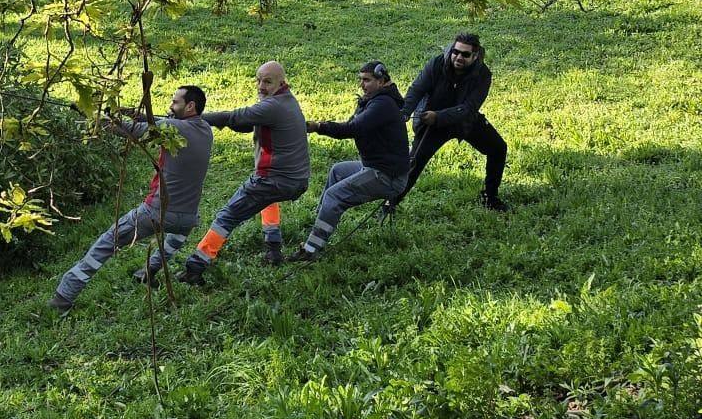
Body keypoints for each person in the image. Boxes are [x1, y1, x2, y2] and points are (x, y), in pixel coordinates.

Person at [51, 85, 213, 313]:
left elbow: (131, 130)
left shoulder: (171, 128)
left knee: (106, 243)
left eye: (175, 102)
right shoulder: (206, 129)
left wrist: (90, 115)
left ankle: (62, 299)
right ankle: (147, 272)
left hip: (155, 213)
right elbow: (158, 123)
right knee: (171, 243)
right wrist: (132, 111)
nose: (170, 106)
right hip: (187, 219)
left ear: (190, 106)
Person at [174, 60, 309, 281]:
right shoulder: (287, 100)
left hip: (273, 180)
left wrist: (189, 120)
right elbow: (245, 124)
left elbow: (232, 118)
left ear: (282, 82)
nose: (260, 86)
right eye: (258, 80)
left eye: (267, 81)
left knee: (227, 216)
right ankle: (273, 249)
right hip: (296, 181)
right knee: (267, 199)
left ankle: (195, 268)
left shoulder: (272, 106)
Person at [287, 60, 409, 262]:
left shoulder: (383, 104)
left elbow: (352, 129)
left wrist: (319, 127)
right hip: (374, 167)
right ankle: (320, 224)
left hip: (389, 176)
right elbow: (353, 124)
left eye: (367, 80)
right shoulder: (374, 100)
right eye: (361, 80)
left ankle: (311, 250)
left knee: (334, 196)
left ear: (381, 80)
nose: (362, 85)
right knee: (337, 170)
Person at [387, 32, 509, 214]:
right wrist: (404, 112)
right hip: (431, 124)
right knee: (414, 164)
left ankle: (489, 197)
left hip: (464, 122)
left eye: (465, 54)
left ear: (475, 56)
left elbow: (469, 108)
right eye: (455, 52)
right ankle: (391, 204)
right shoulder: (436, 64)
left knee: (498, 148)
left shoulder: (483, 74)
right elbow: (417, 89)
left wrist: (439, 116)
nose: (459, 57)